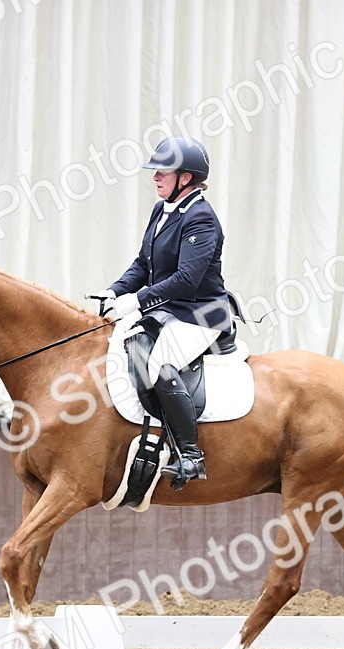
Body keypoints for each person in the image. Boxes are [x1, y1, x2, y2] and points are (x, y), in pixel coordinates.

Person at [101, 136, 235, 489]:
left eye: (164, 171)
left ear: (186, 178)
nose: (156, 177)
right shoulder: (162, 210)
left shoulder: (202, 219)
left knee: (160, 366)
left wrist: (138, 301)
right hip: (170, 309)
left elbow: (187, 280)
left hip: (201, 313)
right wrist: (116, 290)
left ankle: (191, 455)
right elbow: (143, 263)